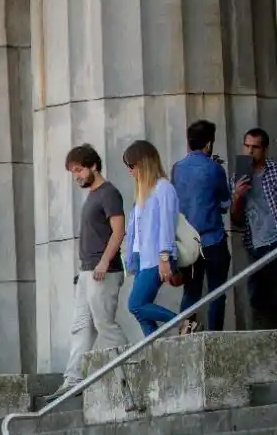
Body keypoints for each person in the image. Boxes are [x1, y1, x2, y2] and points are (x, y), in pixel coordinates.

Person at [48, 143, 130, 400]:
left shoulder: (109, 193)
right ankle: (72, 380)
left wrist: (104, 262)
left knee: (105, 325)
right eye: (73, 172)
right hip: (87, 272)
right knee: (81, 327)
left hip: (102, 271)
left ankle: (128, 377)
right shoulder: (93, 195)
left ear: (93, 165)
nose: (77, 176)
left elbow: (119, 231)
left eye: (79, 170)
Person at [171, 119, 232, 332]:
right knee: (217, 292)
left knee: (191, 292)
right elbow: (225, 202)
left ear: (188, 144)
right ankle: (215, 336)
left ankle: (185, 336)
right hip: (213, 239)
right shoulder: (215, 169)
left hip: (189, 242)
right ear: (208, 145)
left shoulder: (176, 169)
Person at [123, 140, 183, 337]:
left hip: (157, 256)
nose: (130, 171)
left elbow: (167, 224)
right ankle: (155, 349)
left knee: (135, 304)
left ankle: (183, 322)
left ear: (143, 164)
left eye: (132, 166)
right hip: (142, 258)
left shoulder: (163, 188)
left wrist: (164, 257)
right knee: (141, 311)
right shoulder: (142, 193)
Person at [230, 127, 277, 329]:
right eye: (247, 146)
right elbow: (236, 221)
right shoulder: (238, 178)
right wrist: (237, 197)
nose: (250, 152)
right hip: (255, 246)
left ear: (265, 149)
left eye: (255, 147)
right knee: (257, 296)